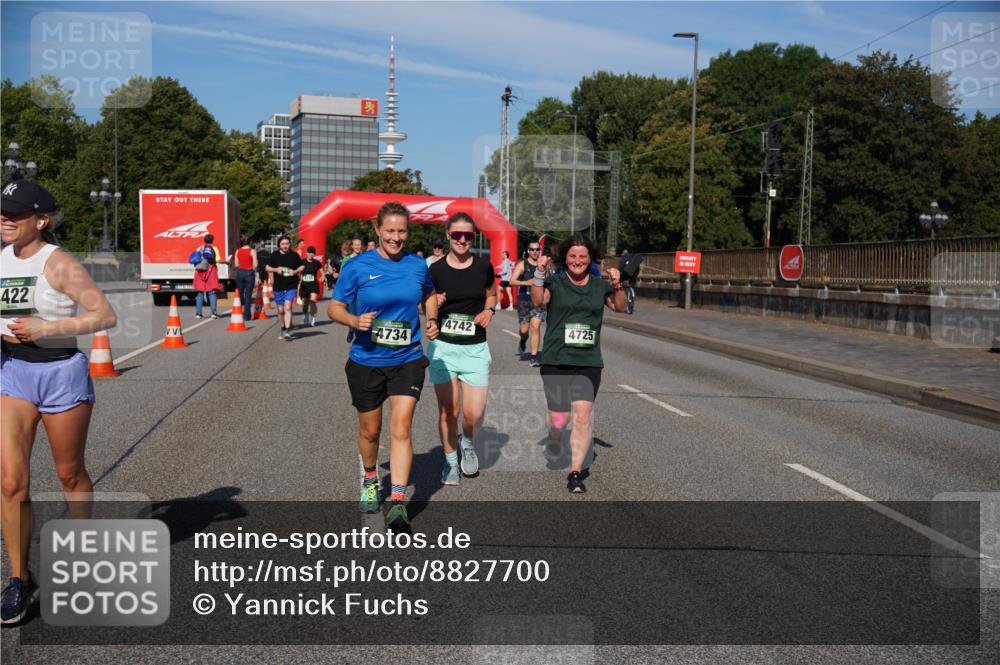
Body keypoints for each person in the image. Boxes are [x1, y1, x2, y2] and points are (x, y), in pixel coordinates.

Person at [1, 180, 118, 624]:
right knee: (10, 482)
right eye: (2, 211)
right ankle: (19, 579)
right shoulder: (1, 259)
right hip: (13, 372)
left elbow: (104, 315)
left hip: (60, 373)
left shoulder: (60, 263)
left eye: (16, 213)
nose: (5, 219)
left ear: (41, 220)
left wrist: (45, 328)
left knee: (69, 474)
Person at [328, 202, 438, 532]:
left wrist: (432, 318)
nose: (396, 237)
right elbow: (335, 307)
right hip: (367, 360)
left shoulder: (417, 265)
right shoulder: (358, 266)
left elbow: (429, 295)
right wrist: (354, 320)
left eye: (402, 231)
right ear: (377, 230)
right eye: (389, 230)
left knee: (401, 428)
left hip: (407, 358)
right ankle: (370, 478)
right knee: (370, 432)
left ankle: (398, 501)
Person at [531, 235, 625, 494]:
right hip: (556, 358)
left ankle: (575, 472)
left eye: (583, 256)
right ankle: (554, 436)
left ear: (590, 258)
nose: (578, 261)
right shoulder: (555, 282)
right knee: (560, 419)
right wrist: (539, 273)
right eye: (572, 256)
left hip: (588, 361)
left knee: (583, 415)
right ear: (565, 258)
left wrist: (618, 285)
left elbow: (619, 307)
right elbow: (538, 300)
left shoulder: (599, 286)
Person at [428, 213, 497, 485]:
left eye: (467, 235)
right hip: (443, 348)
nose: (461, 240)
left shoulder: (483, 267)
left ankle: (466, 442)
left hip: (475, 348)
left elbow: (492, 294)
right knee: (449, 410)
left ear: (473, 237)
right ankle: (450, 463)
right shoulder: (435, 269)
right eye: (456, 234)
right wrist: (433, 304)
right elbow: (424, 303)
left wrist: (489, 310)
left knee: (474, 413)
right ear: (448, 235)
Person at [509, 242, 547, 367]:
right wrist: (526, 283)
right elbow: (512, 281)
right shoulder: (522, 264)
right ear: (528, 251)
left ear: (540, 250)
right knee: (524, 330)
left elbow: (549, 281)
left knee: (536, 327)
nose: (535, 252)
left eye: (537, 249)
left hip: (538, 302)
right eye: (532, 249)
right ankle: (523, 339)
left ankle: (534, 357)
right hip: (524, 300)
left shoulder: (544, 264)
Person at [265, 236, 303, 339]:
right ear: (279, 245)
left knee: (287, 307)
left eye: (287, 244)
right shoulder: (274, 255)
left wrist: (295, 271)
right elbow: (267, 267)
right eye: (283, 244)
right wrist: (276, 269)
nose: (285, 246)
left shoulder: (294, 255)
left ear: (290, 244)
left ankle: (287, 330)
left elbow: (302, 266)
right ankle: (283, 328)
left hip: (291, 285)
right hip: (278, 286)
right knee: (280, 310)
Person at [192, 234, 221, 319]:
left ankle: (198, 313)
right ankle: (214, 313)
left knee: (200, 292)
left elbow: (196, 259)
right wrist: (226, 262)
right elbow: (218, 260)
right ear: (212, 240)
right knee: (212, 292)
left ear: (204, 240)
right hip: (211, 271)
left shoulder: (199, 248)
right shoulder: (214, 248)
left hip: (200, 271)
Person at [229, 235, 258, 315]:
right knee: (248, 295)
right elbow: (255, 265)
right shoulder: (252, 251)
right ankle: (247, 315)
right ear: (250, 242)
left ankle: (239, 312)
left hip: (240, 273)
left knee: (240, 294)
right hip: (249, 272)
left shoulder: (237, 251)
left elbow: (236, 264)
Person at [298, 246, 323, 326]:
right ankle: (306, 315)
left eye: (312, 253)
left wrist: (323, 276)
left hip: (313, 285)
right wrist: (299, 278)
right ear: (306, 253)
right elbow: (298, 272)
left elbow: (322, 272)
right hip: (304, 285)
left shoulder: (317, 263)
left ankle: (313, 318)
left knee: (312, 301)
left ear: (314, 254)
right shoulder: (302, 262)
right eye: (309, 252)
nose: (311, 254)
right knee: (305, 304)